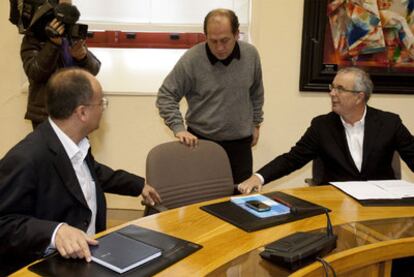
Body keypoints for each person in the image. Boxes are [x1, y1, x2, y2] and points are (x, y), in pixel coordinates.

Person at [0, 68, 161, 275]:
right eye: (101, 103)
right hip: (47, 267)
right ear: (82, 112)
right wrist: (54, 232)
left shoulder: (74, 144)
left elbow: (92, 173)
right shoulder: (26, 157)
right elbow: (3, 222)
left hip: (88, 259)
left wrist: (138, 185)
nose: (104, 108)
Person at [238, 67, 414, 194]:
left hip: (380, 206)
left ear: (359, 97)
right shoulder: (322, 126)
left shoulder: (389, 123)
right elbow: (292, 159)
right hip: (336, 202)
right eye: (332, 87)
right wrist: (259, 177)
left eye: (340, 89)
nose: (332, 94)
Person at [156, 8, 264, 189]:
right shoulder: (192, 59)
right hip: (202, 143)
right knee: (201, 201)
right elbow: (166, 95)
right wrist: (178, 128)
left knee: (239, 204)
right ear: (205, 35)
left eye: (225, 40)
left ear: (237, 34)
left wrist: (256, 123)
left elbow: (256, 92)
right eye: (213, 41)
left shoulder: (251, 55)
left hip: (240, 146)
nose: (219, 48)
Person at [21, 0, 101, 128]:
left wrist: (82, 57)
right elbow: (35, 72)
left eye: (69, 7)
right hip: (46, 115)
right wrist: (53, 44)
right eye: (62, 8)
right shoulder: (33, 39)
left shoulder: (71, 35)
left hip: (76, 111)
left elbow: (95, 69)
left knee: (82, 148)